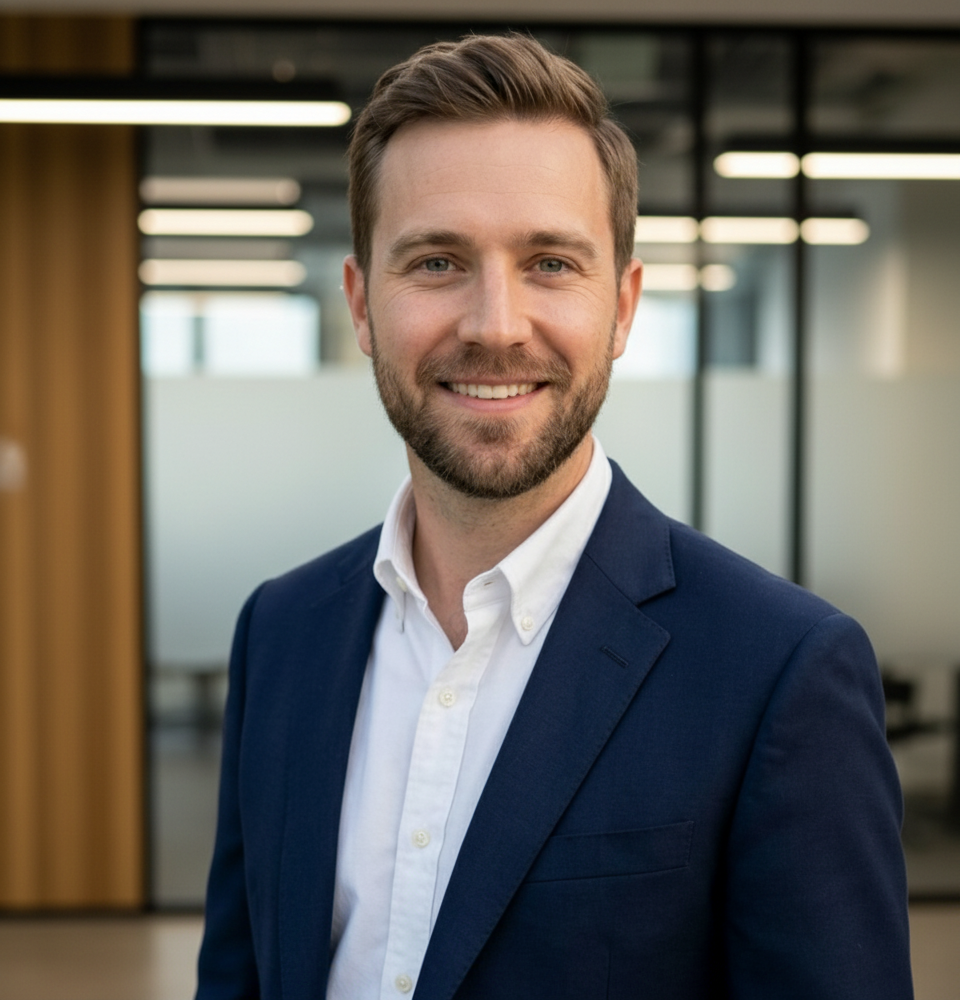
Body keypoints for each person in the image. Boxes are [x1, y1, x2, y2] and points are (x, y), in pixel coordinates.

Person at [196, 33, 913, 1000]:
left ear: (622, 306)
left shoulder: (778, 671)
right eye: (439, 261)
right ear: (363, 304)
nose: (495, 325)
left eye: (549, 263)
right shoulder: (280, 633)